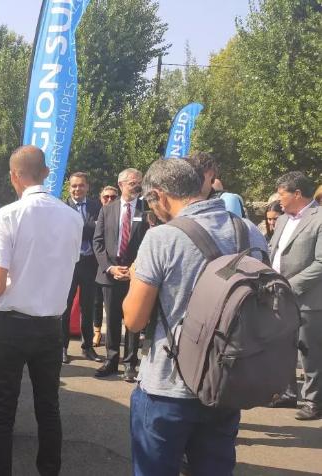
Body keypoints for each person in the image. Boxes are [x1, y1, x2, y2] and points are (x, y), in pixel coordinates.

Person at [122, 158, 267, 476]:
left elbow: (134, 319)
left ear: (160, 196)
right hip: (227, 383)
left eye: (151, 202)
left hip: (168, 387)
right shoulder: (250, 232)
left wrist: (136, 276)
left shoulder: (161, 238)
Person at [0, 145, 82, 476]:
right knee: (48, 407)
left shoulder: (7, 215)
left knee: (3, 409)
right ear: (47, 173)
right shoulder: (72, 216)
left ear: (13, 176)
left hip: (13, 326)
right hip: (51, 326)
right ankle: (49, 470)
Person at [268, 171, 322, 420]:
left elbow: (321, 262)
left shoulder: (319, 218)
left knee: (310, 352)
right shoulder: (281, 220)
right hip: (278, 295)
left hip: (308, 299)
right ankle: (288, 393)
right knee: (282, 346)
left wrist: (290, 284)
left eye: (282, 194)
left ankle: (314, 401)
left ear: (297, 194)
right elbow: (273, 251)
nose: (279, 199)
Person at [93, 168, 148, 382]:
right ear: (121, 184)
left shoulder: (147, 210)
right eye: (132, 183)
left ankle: (130, 364)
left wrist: (134, 268)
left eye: (139, 182)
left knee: (133, 320)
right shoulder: (107, 210)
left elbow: (151, 242)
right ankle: (111, 360)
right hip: (111, 274)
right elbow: (98, 243)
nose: (136, 186)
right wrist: (110, 268)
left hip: (136, 274)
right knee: (113, 319)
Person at [61, 172, 102, 364]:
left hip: (89, 263)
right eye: (74, 186)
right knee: (65, 307)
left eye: (81, 186)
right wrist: (87, 226)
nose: (77, 189)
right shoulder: (61, 207)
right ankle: (62, 347)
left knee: (88, 306)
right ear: (69, 187)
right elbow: (64, 233)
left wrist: (81, 227)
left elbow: (98, 230)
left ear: (87, 187)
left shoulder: (97, 206)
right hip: (68, 264)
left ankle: (88, 348)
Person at [92, 185, 119, 347]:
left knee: (113, 306)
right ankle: (96, 331)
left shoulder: (121, 214)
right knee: (96, 301)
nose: (109, 200)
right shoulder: (96, 212)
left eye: (113, 197)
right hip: (93, 264)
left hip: (112, 266)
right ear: (101, 198)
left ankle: (112, 337)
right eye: (106, 197)